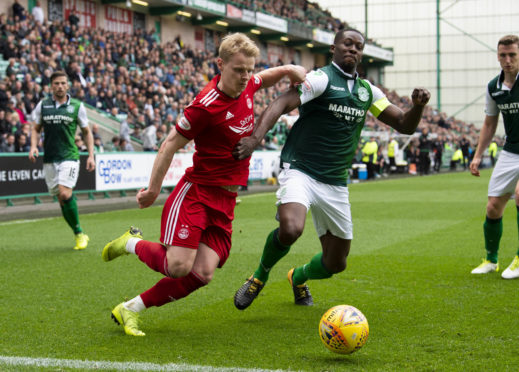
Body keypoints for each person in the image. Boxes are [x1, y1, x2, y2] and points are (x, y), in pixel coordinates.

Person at [101, 33, 306, 336]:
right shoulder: (204, 105)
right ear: (220, 64)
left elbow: (265, 77)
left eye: (249, 69)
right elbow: (169, 144)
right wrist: (153, 190)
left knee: (203, 273)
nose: (245, 76)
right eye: (238, 70)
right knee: (179, 266)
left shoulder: (249, 83)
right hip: (196, 194)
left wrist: (289, 69)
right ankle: (130, 243)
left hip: (225, 201)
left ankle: (130, 309)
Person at [232, 28, 430, 310]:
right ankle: (259, 276)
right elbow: (282, 102)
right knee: (291, 228)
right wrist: (255, 139)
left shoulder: (368, 92)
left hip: (335, 181)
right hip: (300, 168)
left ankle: (298, 277)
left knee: (335, 263)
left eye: (358, 46)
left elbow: (404, 124)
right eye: (347, 44)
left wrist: (418, 107)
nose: (353, 49)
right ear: (334, 47)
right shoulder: (322, 78)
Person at [469, 35, 519, 279]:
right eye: (503, 55)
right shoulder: (493, 87)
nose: (507, 60)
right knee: (493, 207)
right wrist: (478, 155)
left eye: (512, 55)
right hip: (511, 150)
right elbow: (490, 123)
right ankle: (491, 259)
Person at [29, 71, 95, 250]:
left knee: (65, 193)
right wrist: (33, 146)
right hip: (50, 158)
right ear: (51, 85)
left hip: (69, 156)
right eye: (56, 83)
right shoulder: (43, 105)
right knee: (61, 199)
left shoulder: (76, 106)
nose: (60, 86)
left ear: (68, 86)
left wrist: (91, 155)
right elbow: (35, 129)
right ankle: (78, 232)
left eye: (63, 83)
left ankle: (80, 233)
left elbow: (86, 132)